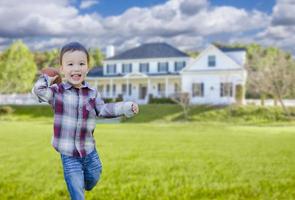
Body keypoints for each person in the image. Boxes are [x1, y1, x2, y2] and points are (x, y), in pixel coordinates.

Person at [32, 42, 139, 200]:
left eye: (81, 64)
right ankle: (79, 188)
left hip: (89, 151)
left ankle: (86, 183)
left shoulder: (92, 93)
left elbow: (104, 110)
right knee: (77, 193)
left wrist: (126, 107)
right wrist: (47, 77)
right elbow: (39, 91)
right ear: (62, 69)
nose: (76, 68)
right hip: (69, 154)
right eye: (70, 64)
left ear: (87, 68)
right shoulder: (57, 93)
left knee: (94, 177)